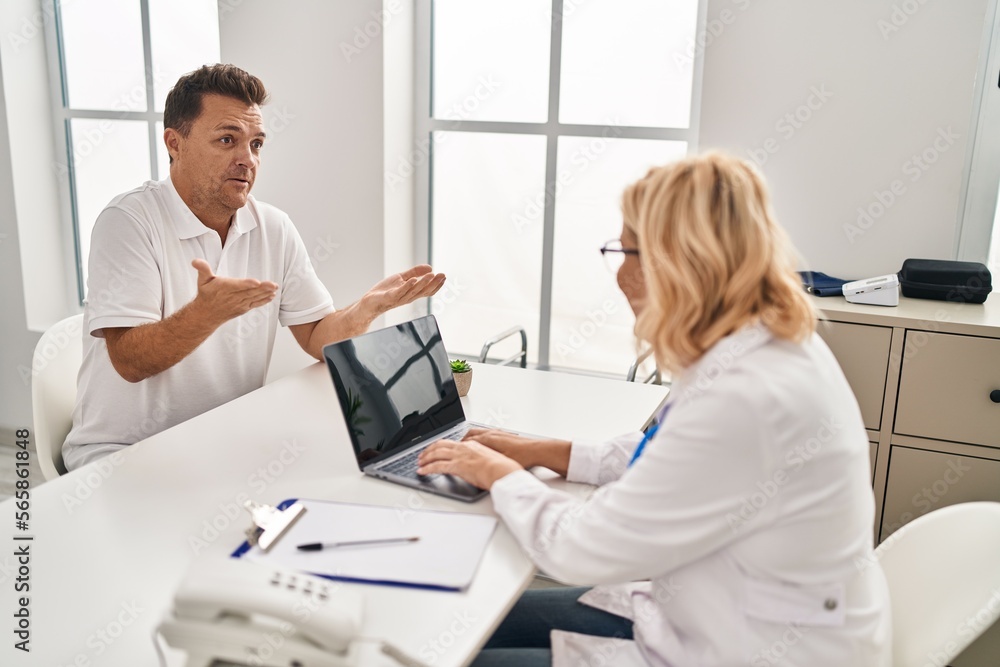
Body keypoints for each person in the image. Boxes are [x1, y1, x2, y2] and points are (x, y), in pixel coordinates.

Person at [417, 153, 891, 666]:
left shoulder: (750, 396)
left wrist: (500, 474)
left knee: (445, 654)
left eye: (627, 252)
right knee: (461, 624)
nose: (621, 276)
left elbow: (580, 549)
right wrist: (543, 450)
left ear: (680, 261)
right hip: (721, 613)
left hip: (758, 649)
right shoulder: (763, 342)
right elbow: (669, 456)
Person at [63, 64, 444, 470]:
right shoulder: (129, 220)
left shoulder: (272, 227)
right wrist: (205, 314)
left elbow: (317, 336)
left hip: (220, 446)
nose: (247, 159)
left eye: (256, 144)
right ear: (175, 143)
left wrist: (367, 308)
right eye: (227, 139)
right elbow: (130, 362)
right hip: (121, 457)